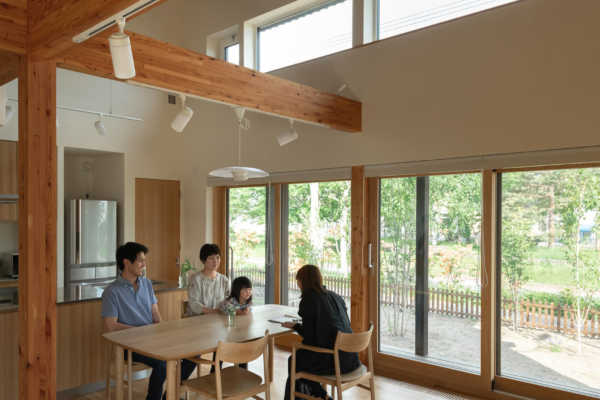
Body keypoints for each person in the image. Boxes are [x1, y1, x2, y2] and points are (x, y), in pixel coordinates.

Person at [101, 242, 196, 400]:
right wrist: (141, 331)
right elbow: (111, 326)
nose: (144, 264)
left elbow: (155, 313)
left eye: (144, 260)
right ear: (126, 262)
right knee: (163, 363)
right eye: (140, 260)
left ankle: (170, 396)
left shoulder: (146, 283)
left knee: (192, 353)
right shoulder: (112, 292)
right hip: (129, 345)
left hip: (153, 339)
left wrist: (163, 331)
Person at [282, 264, 360, 400]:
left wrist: (296, 327)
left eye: (298, 280)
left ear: (303, 281)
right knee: (300, 360)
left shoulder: (309, 299)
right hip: (352, 358)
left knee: (295, 359)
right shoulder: (335, 296)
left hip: (335, 362)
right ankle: (312, 395)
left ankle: (321, 395)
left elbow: (310, 338)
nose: (297, 284)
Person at [187, 243, 230, 315]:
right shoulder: (196, 279)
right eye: (211, 258)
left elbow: (229, 300)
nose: (215, 261)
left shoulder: (224, 280)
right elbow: (194, 303)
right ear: (203, 260)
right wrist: (213, 312)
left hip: (218, 320)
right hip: (198, 320)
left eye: (217, 257)